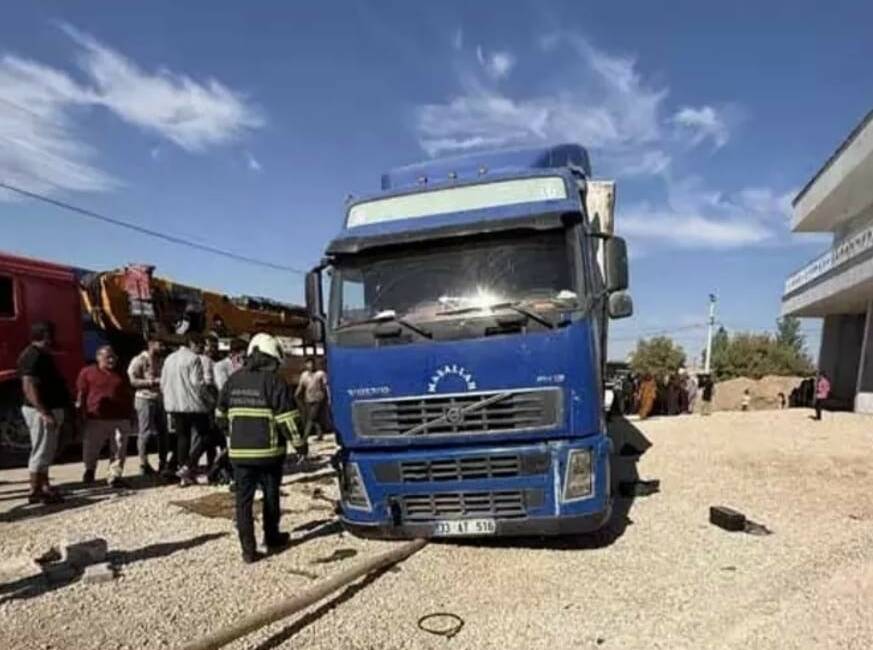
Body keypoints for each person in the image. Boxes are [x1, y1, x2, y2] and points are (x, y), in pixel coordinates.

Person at [219, 333, 305, 563]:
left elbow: (219, 416)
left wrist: (234, 434)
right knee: (270, 496)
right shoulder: (274, 382)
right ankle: (272, 537)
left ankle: (248, 551)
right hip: (269, 454)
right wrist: (300, 446)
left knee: (243, 502)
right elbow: (288, 420)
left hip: (239, 454)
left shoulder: (232, 381)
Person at [17, 321, 70, 504]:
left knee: (46, 450)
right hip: (41, 410)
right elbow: (28, 385)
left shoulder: (41, 354)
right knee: (40, 450)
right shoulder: (32, 355)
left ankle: (45, 486)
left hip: (50, 408)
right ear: (45, 335)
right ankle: (35, 491)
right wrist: (44, 412)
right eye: (51, 334)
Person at [76, 346, 135, 487]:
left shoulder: (121, 373)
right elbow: (81, 394)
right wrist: (81, 413)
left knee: (119, 448)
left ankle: (114, 476)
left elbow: (129, 393)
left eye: (113, 357)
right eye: (108, 357)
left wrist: (131, 413)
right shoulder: (87, 372)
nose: (111, 359)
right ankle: (89, 470)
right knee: (91, 447)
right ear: (98, 358)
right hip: (96, 418)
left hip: (120, 417)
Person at [160, 334, 213, 487]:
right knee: (206, 436)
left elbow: (163, 382)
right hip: (192, 404)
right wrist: (209, 399)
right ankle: (188, 466)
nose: (202, 348)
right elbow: (198, 384)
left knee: (182, 438)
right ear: (191, 343)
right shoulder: (193, 359)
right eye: (201, 344)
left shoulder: (169, 358)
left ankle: (184, 475)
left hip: (174, 404)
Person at [128, 336, 167, 476]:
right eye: (160, 343)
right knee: (145, 433)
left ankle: (164, 463)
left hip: (160, 399)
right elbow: (132, 380)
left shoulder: (161, 360)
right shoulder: (139, 360)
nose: (163, 347)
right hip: (144, 399)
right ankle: (143, 463)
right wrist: (151, 382)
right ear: (151, 344)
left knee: (164, 432)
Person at [295, 358, 329, 440]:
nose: (311, 365)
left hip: (318, 398)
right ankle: (320, 434)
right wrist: (296, 395)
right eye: (309, 364)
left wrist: (328, 397)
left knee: (311, 418)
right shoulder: (304, 375)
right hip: (308, 399)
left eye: (312, 363)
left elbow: (326, 386)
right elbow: (301, 386)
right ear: (306, 365)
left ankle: (304, 437)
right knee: (315, 418)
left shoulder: (320, 374)